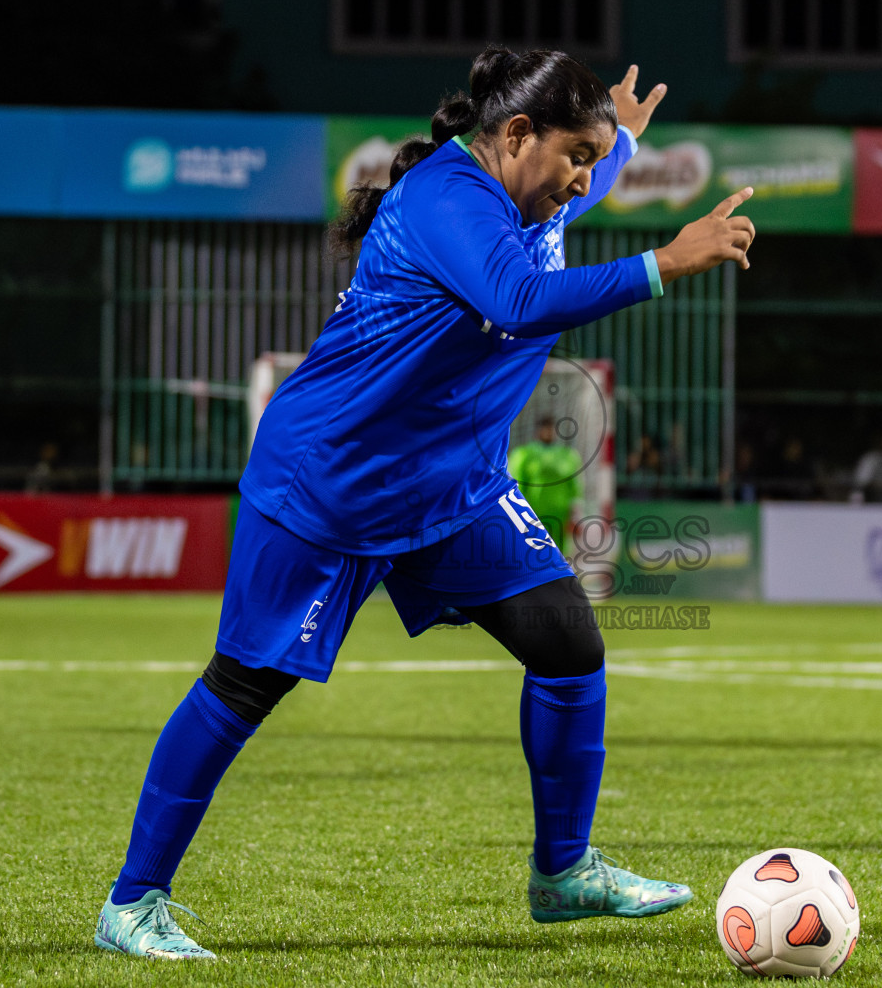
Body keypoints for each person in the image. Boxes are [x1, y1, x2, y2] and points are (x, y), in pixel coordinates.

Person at [93, 48, 756, 960]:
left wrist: (623, 142)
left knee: (568, 643)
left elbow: (576, 199)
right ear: (515, 135)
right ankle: (132, 904)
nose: (581, 182)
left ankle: (562, 875)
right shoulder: (449, 201)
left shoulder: (540, 187)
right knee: (247, 684)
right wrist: (663, 265)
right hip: (333, 482)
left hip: (452, 485)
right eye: (573, 158)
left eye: (591, 165)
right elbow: (518, 300)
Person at [507, 415, 584, 553]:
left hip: (560, 516)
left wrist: (576, 515)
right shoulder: (525, 455)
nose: (548, 432)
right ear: (538, 431)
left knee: (560, 554)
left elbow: (574, 488)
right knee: (534, 553)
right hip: (534, 515)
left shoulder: (567, 455)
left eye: (551, 429)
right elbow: (517, 486)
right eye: (545, 428)